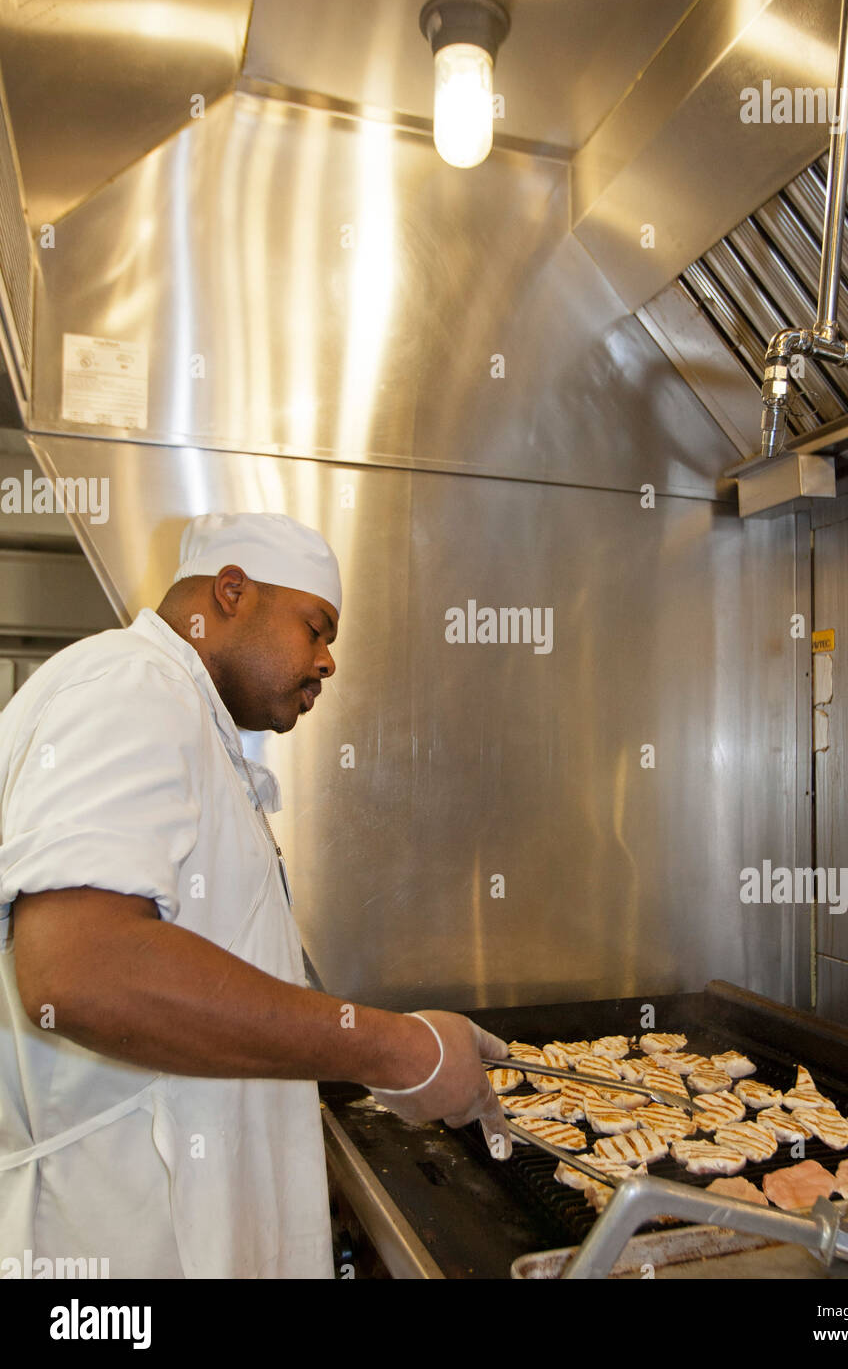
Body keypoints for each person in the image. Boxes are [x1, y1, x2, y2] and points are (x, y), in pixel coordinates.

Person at [0, 512, 510, 1279]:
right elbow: (78, 970)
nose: (329, 661)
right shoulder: (130, 687)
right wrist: (396, 1049)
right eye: (316, 627)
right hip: (113, 1251)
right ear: (231, 593)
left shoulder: (187, 719)